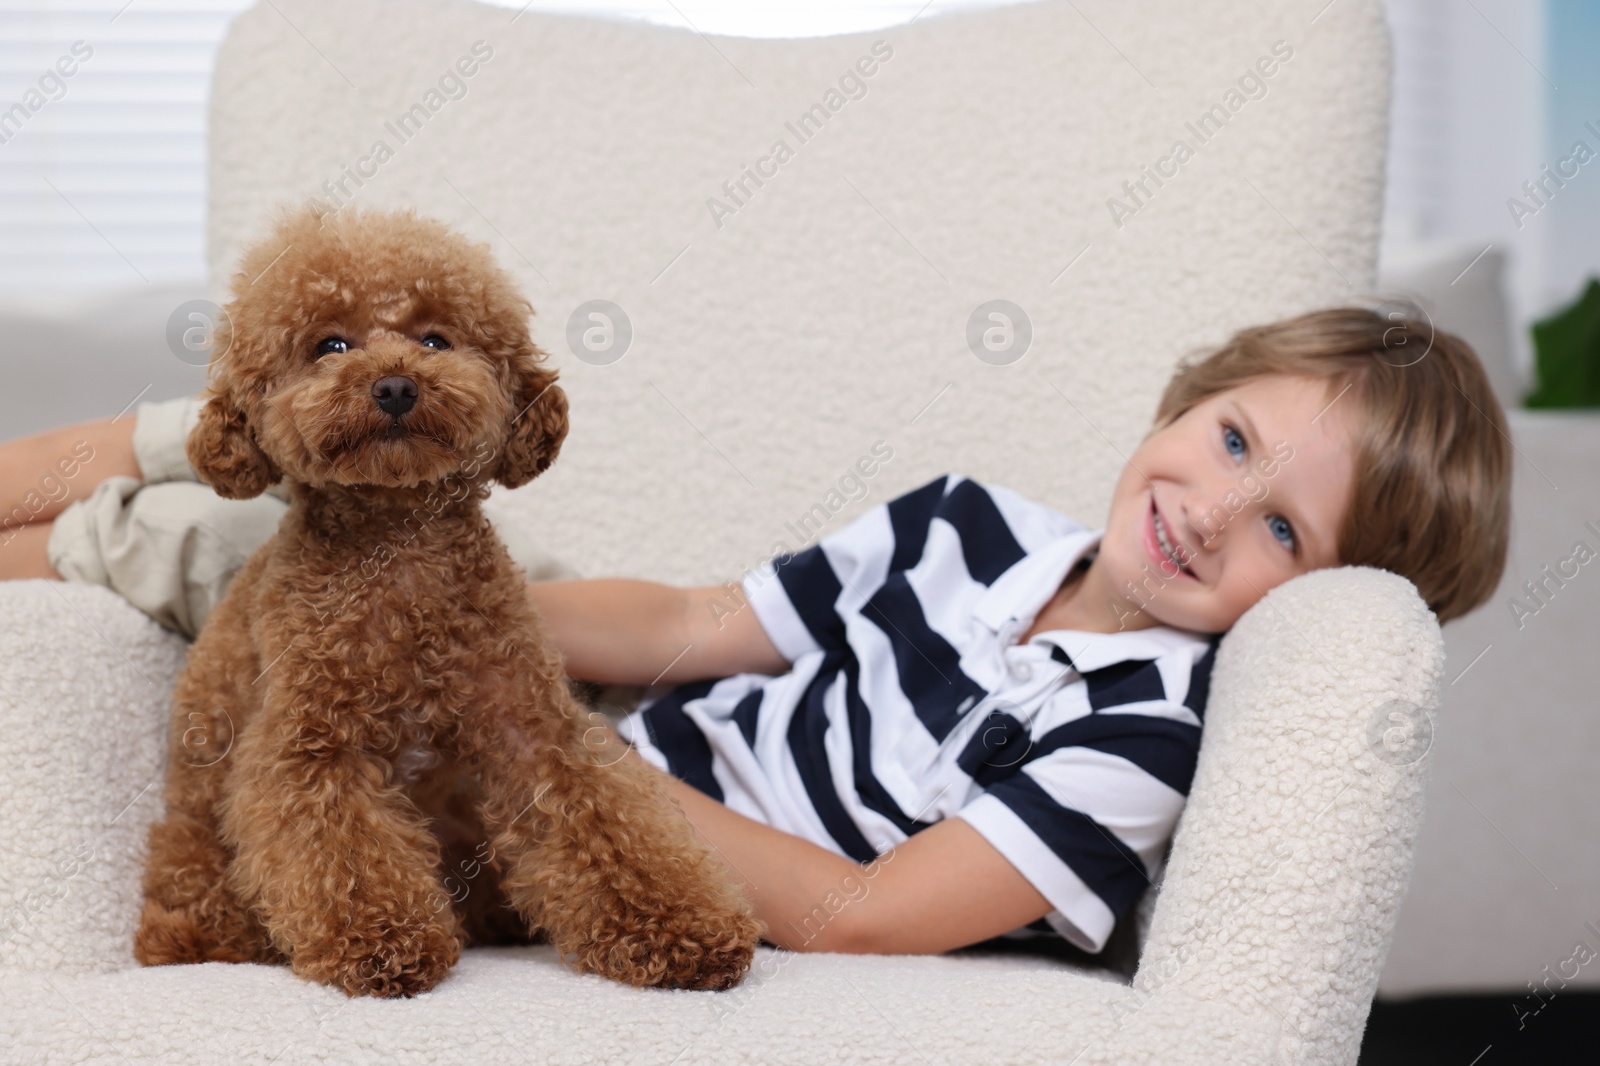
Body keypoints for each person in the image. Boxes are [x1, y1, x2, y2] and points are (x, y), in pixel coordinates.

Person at [0, 306, 1511, 959]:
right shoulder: (964, 524)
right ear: (1191, 397)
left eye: (1287, 535)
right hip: (575, 713)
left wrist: (534, 745)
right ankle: (60, 467)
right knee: (346, 489)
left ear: (1317, 595)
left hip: (594, 815)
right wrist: (475, 615)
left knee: (221, 545)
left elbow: (859, 914)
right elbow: (700, 619)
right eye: (1235, 442)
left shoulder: (1143, 738)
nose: (1214, 513)